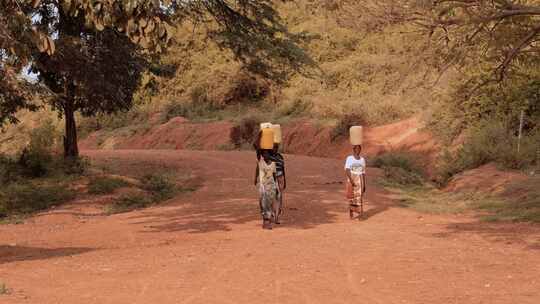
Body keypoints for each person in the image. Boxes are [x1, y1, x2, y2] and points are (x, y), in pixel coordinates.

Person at [254, 149, 278, 229]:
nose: (265, 156)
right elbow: (257, 170)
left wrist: (276, 187)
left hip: (271, 187)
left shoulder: (273, 164)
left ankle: (267, 221)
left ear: (269, 154)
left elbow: (274, 177)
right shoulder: (260, 163)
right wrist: (255, 179)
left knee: (270, 204)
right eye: (263, 154)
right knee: (263, 204)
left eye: (266, 154)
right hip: (263, 187)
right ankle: (266, 222)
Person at [345, 145, 366, 218]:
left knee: (359, 197)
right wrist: (351, 180)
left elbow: (363, 172)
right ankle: (351, 211)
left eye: (359, 149)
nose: (358, 150)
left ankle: (360, 213)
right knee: (351, 197)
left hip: (360, 180)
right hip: (351, 179)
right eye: (356, 149)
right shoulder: (349, 158)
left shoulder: (362, 159)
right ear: (353, 150)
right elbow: (347, 170)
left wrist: (364, 184)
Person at [269, 143, 286, 224]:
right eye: (274, 147)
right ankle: (272, 215)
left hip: (280, 177)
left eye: (276, 147)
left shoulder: (280, 157)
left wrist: (285, 180)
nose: (275, 148)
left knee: (279, 196)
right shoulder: (268, 156)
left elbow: (283, 169)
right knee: (272, 197)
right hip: (272, 178)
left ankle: (277, 217)